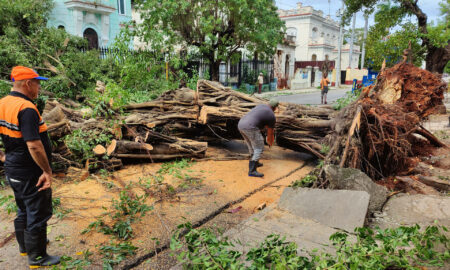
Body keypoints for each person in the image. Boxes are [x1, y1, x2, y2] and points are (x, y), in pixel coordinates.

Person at [0, 66, 60, 268]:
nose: (39, 88)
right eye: (37, 83)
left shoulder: (3, 103)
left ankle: (26, 246)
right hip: (29, 171)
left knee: (23, 208)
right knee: (38, 210)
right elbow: (34, 145)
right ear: (28, 83)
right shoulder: (26, 109)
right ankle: (37, 257)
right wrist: (46, 171)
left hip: (13, 168)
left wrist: (3, 156)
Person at [238, 99, 278, 177]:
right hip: (250, 127)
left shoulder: (261, 106)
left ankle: (256, 163)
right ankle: (252, 171)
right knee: (259, 147)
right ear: (275, 108)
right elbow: (270, 134)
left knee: (251, 145)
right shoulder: (271, 115)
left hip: (241, 124)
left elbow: (260, 120)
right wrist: (270, 142)